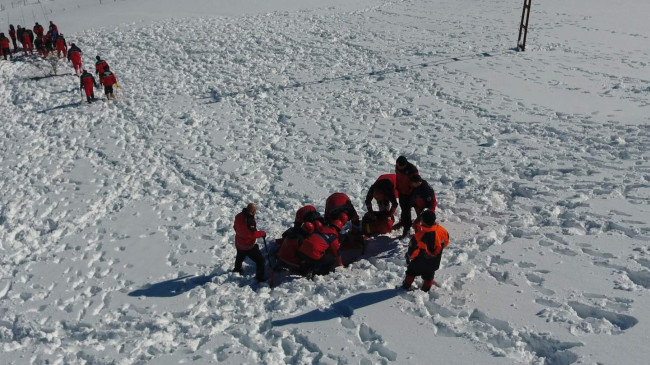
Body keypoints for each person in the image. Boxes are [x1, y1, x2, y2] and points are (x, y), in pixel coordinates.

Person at [401, 210, 449, 292]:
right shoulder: (442, 231)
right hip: (435, 262)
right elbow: (446, 242)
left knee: (411, 271)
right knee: (429, 275)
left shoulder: (419, 235)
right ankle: (426, 288)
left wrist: (408, 257)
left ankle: (406, 285)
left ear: (423, 221)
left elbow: (412, 252)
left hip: (420, 263)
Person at [232, 203, 266, 282]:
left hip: (239, 243)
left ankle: (237, 269)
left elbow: (235, 227)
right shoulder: (250, 221)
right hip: (248, 246)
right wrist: (262, 233)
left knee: (239, 257)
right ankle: (259, 278)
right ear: (254, 211)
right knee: (260, 261)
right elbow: (252, 234)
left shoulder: (238, 216)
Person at [394, 156, 419, 237]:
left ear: (405, 165)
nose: (398, 167)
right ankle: (403, 221)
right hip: (401, 191)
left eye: (400, 166)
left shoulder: (412, 170)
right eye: (397, 165)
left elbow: (416, 182)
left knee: (406, 210)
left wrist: (412, 193)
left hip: (410, 193)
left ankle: (407, 228)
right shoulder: (397, 166)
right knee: (403, 208)